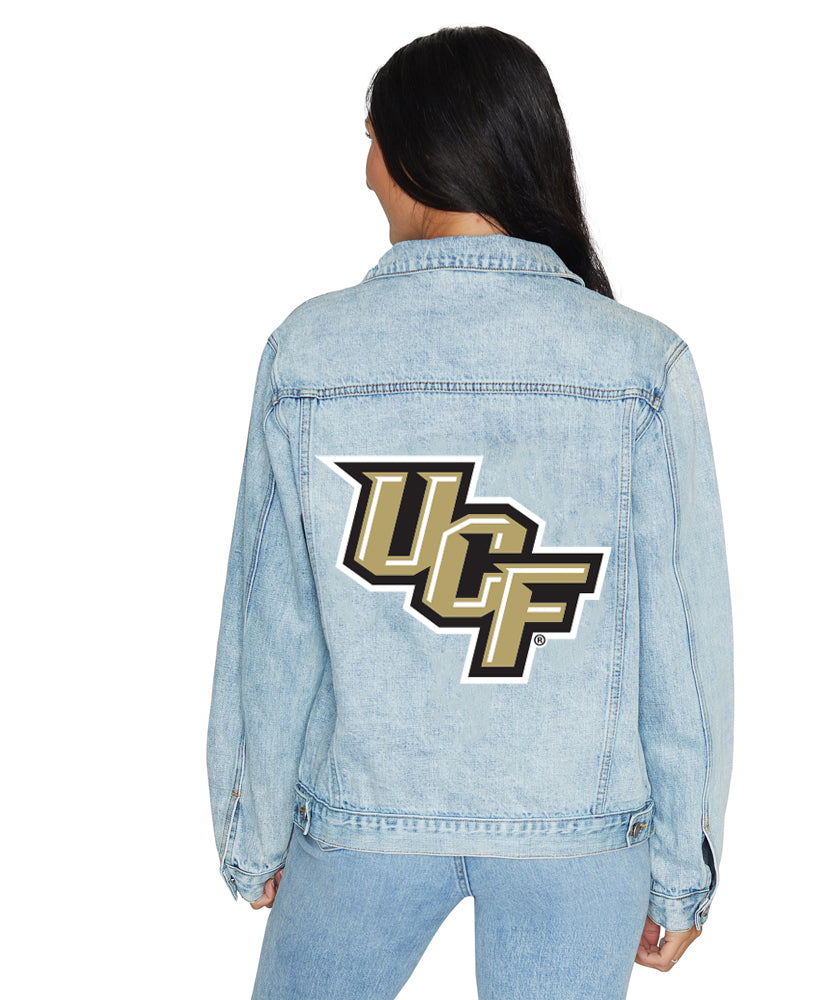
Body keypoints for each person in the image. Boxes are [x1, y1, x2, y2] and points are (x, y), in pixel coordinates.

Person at [207, 25, 733, 1000]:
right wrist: (681, 870)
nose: (364, 169)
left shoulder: (309, 354)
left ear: (420, 147)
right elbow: (682, 641)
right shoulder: (639, 364)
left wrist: (254, 831)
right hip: (579, 834)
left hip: (362, 819)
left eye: (371, 139)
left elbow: (271, 624)